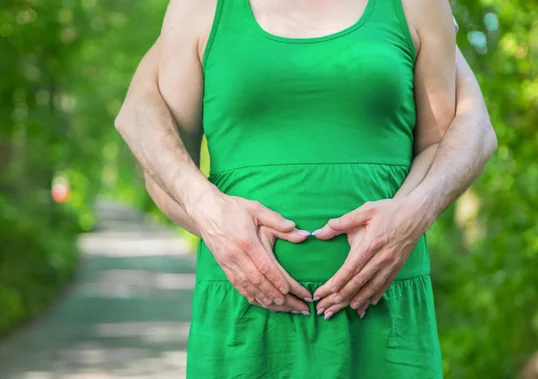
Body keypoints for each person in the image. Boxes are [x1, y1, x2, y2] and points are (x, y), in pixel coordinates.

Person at [115, 0, 497, 377]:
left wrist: (409, 218)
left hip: (383, 307)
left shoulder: (417, 6)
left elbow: (448, 138)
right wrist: (216, 224)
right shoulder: (197, 9)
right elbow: (162, 167)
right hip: (245, 313)